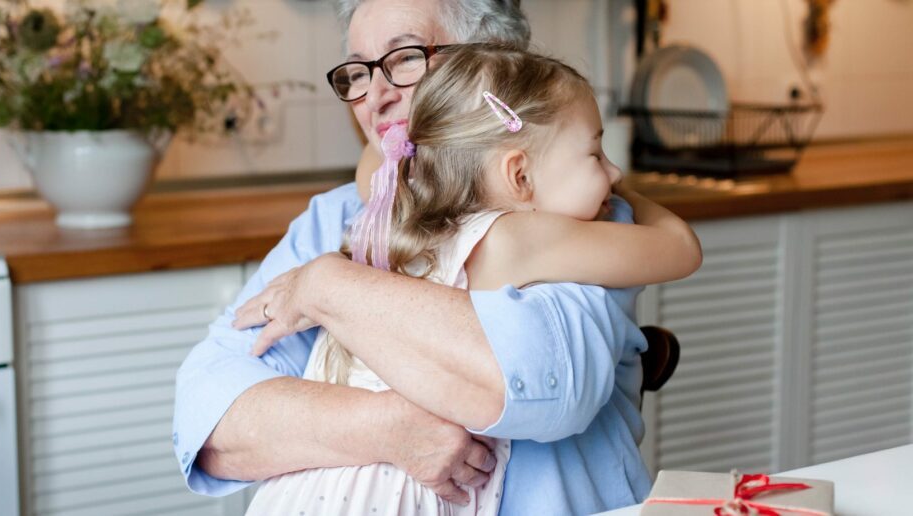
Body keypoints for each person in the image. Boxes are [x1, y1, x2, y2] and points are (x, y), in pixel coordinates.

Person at [173, 0, 702, 513]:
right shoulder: (340, 217)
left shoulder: (572, 213)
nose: (373, 96)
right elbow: (212, 418)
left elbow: (544, 384)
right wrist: (384, 428)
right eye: (357, 73)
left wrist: (327, 288)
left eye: (405, 58)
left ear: (492, 66)